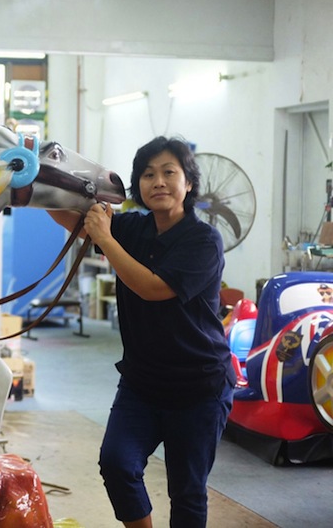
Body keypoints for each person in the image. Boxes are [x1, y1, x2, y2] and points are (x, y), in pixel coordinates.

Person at [49, 136, 236, 528]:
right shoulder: (134, 226)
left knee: (186, 491)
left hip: (198, 387)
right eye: (148, 174)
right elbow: (72, 219)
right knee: (117, 463)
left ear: (188, 183)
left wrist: (104, 238)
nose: (158, 182)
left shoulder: (204, 241)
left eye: (170, 172)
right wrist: (36, 180)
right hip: (142, 382)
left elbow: (152, 288)